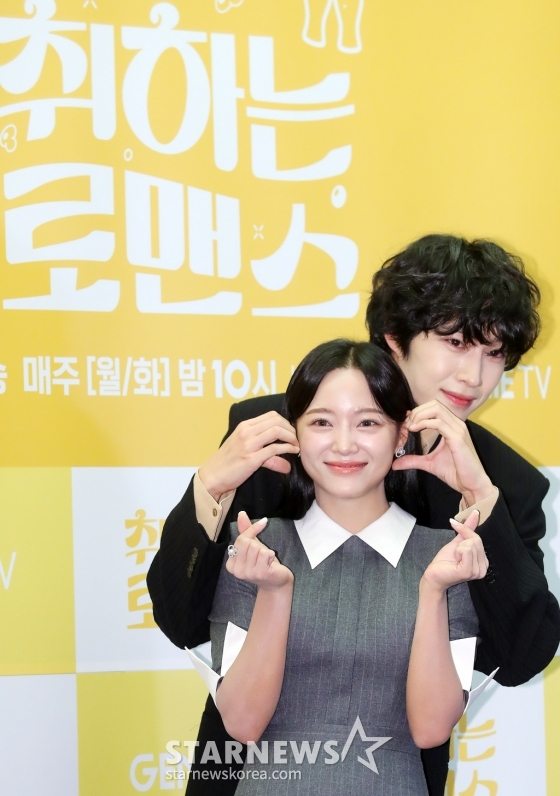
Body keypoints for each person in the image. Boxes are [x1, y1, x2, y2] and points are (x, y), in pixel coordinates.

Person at [147, 234, 560, 796]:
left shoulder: (503, 483)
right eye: (457, 342)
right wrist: (208, 490)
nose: (474, 376)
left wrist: (481, 502)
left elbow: (520, 659)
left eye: (494, 353)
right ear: (394, 337)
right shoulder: (276, 436)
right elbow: (181, 621)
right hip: (250, 773)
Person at [208, 340, 486, 794]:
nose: (344, 444)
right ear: (295, 434)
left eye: (368, 423)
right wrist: (275, 593)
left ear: (401, 435)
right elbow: (241, 723)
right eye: (321, 422)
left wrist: (434, 590)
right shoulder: (257, 548)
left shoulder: (446, 558)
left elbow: (431, 729)